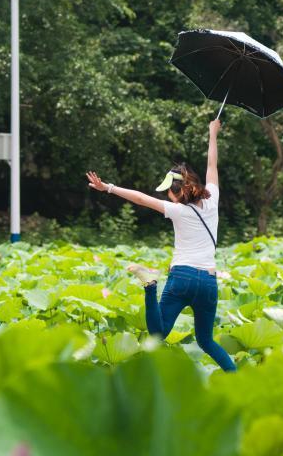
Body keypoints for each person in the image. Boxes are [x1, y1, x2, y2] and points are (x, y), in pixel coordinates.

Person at [85, 119, 236, 372]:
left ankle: (149, 285)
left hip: (183, 277)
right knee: (206, 341)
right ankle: (238, 379)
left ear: (178, 192)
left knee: (158, 333)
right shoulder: (212, 201)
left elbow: (141, 198)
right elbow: (212, 165)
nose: (167, 196)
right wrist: (213, 135)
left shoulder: (177, 210)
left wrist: (107, 187)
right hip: (208, 282)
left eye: (169, 191)